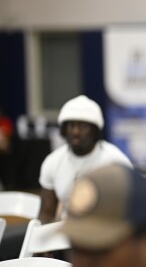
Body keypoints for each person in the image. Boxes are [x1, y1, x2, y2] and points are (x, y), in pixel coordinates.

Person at [39, 95, 132, 224]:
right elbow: (46, 213)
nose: (76, 132)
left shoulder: (116, 161)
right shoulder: (53, 162)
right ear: (64, 130)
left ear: (95, 131)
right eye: (71, 126)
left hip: (108, 232)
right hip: (67, 234)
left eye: (83, 126)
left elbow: (129, 210)